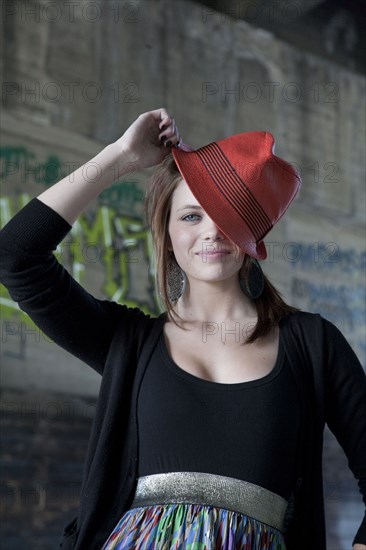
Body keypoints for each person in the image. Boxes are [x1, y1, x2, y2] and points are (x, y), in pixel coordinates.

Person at [0, 107, 365, 550]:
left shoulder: (314, 344)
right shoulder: (128, 342)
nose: (210, 232)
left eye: (227, 216)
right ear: (167, 232)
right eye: (191, 216)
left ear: (252, 236)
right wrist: (122, 156)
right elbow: (16, 255)